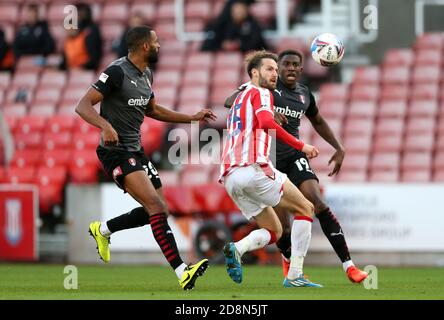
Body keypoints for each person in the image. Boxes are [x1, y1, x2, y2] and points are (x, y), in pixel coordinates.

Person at [75, 26, 216, 290]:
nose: (160, 45)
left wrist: (192, 117)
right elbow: (82, 105)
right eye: (156, 41)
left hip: (136, 151)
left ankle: (103, 229)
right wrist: (105, 126)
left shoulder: (146, 74)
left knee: (160, 209)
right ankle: (182, 271)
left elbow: (153, 110)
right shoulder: (117, 71)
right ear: (145, 47)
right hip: (115, 152)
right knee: (156, 208)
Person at [224, 49, 368, 283]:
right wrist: (269, 111)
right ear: (277, 68)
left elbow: (318, 121)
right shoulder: (266, 88)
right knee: (282, 230)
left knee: (316, 204)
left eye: (295, 65)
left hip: (292, 158)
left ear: (302, 69)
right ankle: (291, 270)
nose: (290, 68)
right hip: (268, 160)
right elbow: (231, 101)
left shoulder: (304, 94)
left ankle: (349, 266)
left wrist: (338, 147)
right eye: (285, 64)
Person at [220, 50, 322, 288]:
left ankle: (237, 248)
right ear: (254, 73)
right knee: (306, 207)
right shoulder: (262, 93)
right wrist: (302, 145)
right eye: (269, 69)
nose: (275, 73)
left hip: (230, 177)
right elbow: (265, 122)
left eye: (276, 69)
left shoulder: (241, 95)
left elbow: (249, 113)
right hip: (253, 168)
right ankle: (295, 274)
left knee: (274, 230)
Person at [201, 0, 267, 52]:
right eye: (236, 10)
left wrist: (240, 45)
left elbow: (258, 44)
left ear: (246, 11)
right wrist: (223, 45)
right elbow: (209, 45)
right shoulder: (223, 26)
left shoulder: (253, 25)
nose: (238, 13)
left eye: (241, 10)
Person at [60, 2, 102, 70]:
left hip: (85, 70)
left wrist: (81, 67)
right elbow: (64, 61)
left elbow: (94, 58)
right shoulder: (67, 41)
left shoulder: (88, 35)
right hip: (72, 71)